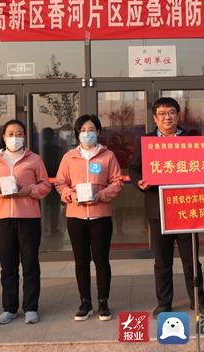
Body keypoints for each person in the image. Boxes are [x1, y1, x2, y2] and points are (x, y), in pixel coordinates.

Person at [129, 97, 204, 318]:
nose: (167, 117)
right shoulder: (146, 141)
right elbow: (134, 168)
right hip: (158, 210)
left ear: (178, 115)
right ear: (155, 118)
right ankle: (164, 303)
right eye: (162, 113)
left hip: (186, 209)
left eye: (171, 113)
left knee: (191, 260)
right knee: (162, 261)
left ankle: (198, 300)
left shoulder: (191, 139)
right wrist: (139, 182)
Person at [0, 119, 52, 325]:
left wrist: (28, 190)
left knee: (30, 263)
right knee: (8, 265)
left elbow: (45, 185)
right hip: (3, 218)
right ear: (3, 136)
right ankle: (9, 308)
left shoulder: (34, 159)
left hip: (28, 218)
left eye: (19, 133)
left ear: (25, 136)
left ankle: (31, 307)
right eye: (10, 134)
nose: (15, 137)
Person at [55, 114, 123, 321]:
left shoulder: (107, 156)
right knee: (81, 261)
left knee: (101, 260)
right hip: (76, 216)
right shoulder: (69, 157)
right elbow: (60, 183)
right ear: (77, 133)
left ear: (98, 132)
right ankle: (85, 301)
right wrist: (71, 195)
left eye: (91, 130)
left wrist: (101, 195)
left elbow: (117, 181)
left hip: (100, 216)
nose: (87, 134)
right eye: (83, 130)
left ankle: (103, 301)